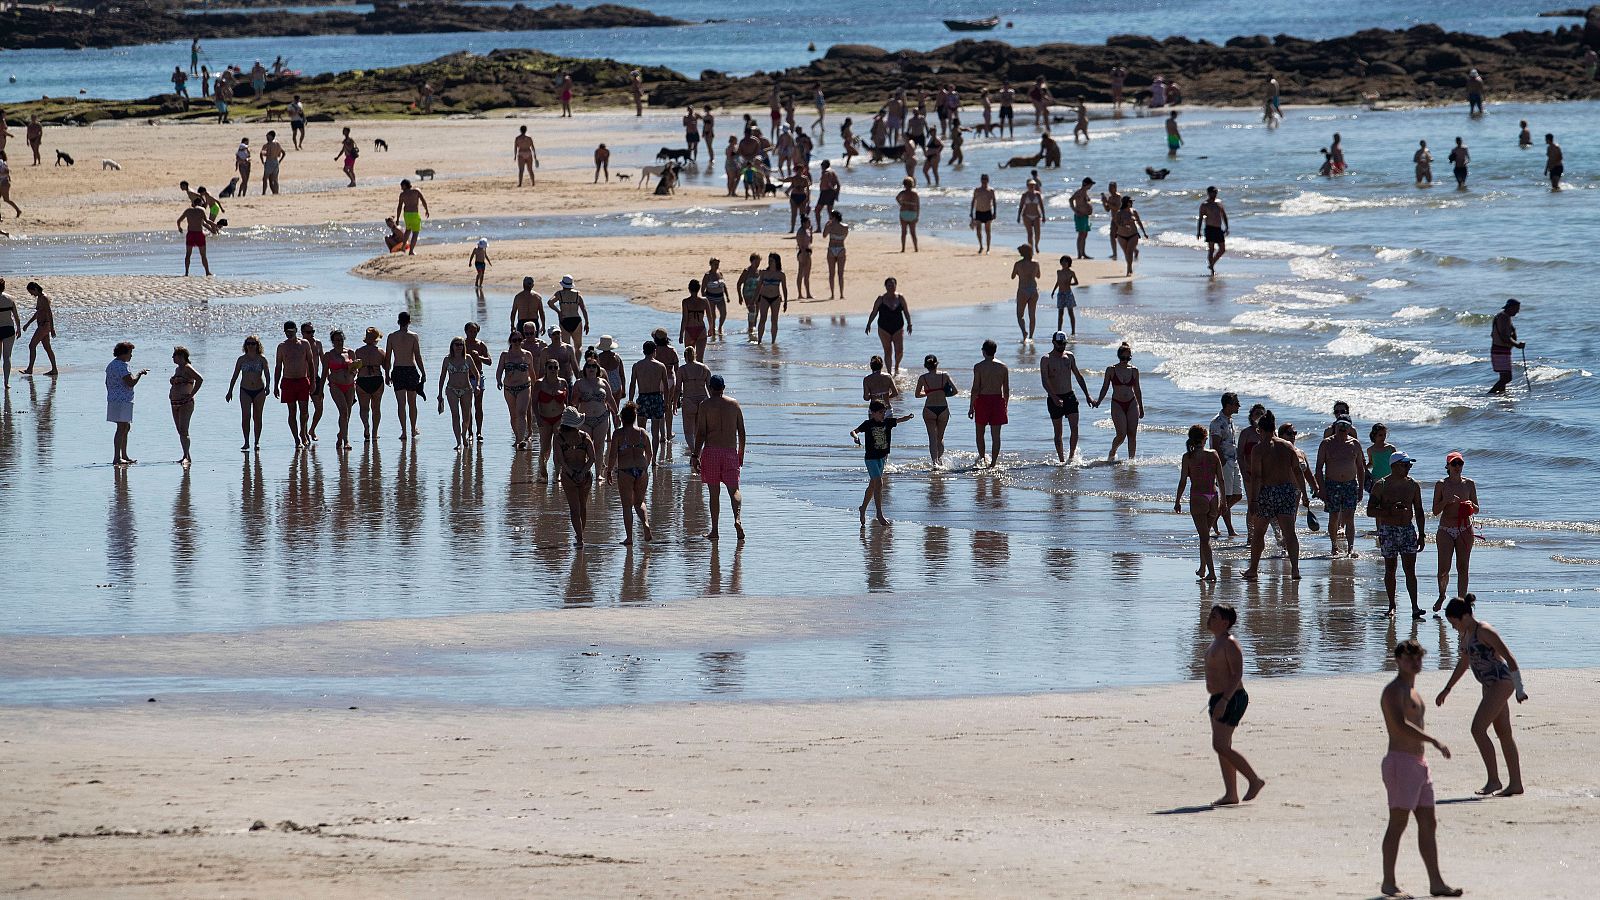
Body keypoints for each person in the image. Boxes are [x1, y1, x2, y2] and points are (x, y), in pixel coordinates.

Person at [1380, 640, 1461, 900]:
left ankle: (1436, 883)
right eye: (1409, 659)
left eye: (1418, 659)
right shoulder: (1394, 691)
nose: (1415, 663)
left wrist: (1427, 746)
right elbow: (1400, 725)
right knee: (1398, 822)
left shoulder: (1414, 692)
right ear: (1398, 661)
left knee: (1428, 822)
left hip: (1419, 765)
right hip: (1400, 762)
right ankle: (1389, 883)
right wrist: (1433, 740)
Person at [1437, 594, 1528, 796]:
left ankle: (1494, 781)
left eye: (1454, 623)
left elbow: (1510, 659)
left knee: (1477, 729)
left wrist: (1519, 690)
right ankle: (1515, 784)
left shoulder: (1484, 631)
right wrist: (1447, 688)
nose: (1453, 627)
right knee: (1504, 733)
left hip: (1501, 683)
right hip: (1488, 686)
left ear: (1465, 616)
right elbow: (1464, 663)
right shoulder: (1466, 634)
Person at [1201, 604, 1265, 803]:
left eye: (1214, 616)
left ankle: (1254, 780)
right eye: (1210, 614)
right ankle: (1231, 794)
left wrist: (1225, 700)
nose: (1210, 618)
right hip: (1217, 698)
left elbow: (1237, 674)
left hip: (1232, 697)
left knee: (1220, 745)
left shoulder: (1229, 643)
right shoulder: (1216, 642)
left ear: (1225, 622)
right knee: (1224, 746)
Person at [1242, 409, 1309, 580]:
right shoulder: (1288, 446)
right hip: (1286, 491)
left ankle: (1253, 569)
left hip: (1266, 493)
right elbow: (1298, 472)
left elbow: (1256, 476)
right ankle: (1295, 570)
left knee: (1259, 533)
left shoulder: (1259, 449)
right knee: (1290, 533)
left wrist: (1253, 499)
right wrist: (1305, 494)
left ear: (1260, 430)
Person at [1366, 450, 1427, 617]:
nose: (1409, 467)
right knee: (1390, 569)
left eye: (1409, 465)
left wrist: (1422, 534)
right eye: (1405, 465)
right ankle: (1392, 605)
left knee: (1410, 570)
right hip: (1388, 530)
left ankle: (1415, 607)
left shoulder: (1413, 485)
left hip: (1408, 529)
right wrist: (1389, 510)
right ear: (1395, 466)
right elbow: (1370, 511)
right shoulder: (1381, 485)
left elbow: (1420, 511)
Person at [692, 375, 746, 541]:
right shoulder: (734, 404)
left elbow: (701, 432)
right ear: (723, 387)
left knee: (714, 493)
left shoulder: (705, 405)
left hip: (711, 451)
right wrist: (740, 453)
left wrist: (695, 454)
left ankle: (715, 530)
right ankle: (737, 519)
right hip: (730, 451)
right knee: (734, 490)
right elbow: (742, 432)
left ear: (710, 388)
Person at [850, 400, 915, 526]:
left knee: (873, 485)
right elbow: (853, 431)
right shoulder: (868, 424)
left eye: (884, 412)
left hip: (882, 458)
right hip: (870, 458)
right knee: (879, 482)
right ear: (873, 413)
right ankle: (879, 513)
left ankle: (863, 508)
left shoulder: (887, 422)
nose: (883, 415)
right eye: (880, 412)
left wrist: (908, 417)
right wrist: (856, 437)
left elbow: (899, 420)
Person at [1432, 451, 1479, 612]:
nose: (1457, 467)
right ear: (1448, 466)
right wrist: (1446, 501)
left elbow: (1477, 509)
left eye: (1460, 464)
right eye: (1454, 464)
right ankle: (1441, 595)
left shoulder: (1469, 483)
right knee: (1444, 568)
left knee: (1463, 566)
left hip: (1465, 528)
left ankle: (1461, 601)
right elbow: (1435, 511)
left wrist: (1470, 506)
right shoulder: (1441, 484)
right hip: (1445, 529)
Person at [1316, 417, 1367, 557]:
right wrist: (1321, 488)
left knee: (1349, 517)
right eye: (1340, 425)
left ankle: (1351, 548)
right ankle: (1334, 546)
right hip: (1332, 484)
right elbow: (1319, 468)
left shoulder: (1354, 444)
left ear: (1350, 427)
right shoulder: (1326, 444)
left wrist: (1361, 488)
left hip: (1350, 485)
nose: (1343, 428)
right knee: (1333, 517)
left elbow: (1360, 468)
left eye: (1346, 425)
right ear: (1335, 426)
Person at [605, 402, 654, 545]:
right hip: (641, 469)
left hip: (625, 470)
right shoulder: (642, 432)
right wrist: (645, 466)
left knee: (627, 505)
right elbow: (650, 454)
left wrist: (609, 471)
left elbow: (613, 455)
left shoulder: (618, 434)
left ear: (622, 418)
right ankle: (645, 524)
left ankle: (629, 538)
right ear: (634, 418)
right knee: (639, 502)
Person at [1041, 331, 1093, 463]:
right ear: (1053, 343)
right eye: (1059, 344)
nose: (1062, 346)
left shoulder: (1069, 357)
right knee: (1058, 433)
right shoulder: (1046, 359)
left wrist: (1087, 395)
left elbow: (1078, 376)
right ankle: (1061, 461)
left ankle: (1071, 458)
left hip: (1069, 396)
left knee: (1074, 428)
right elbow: (1045, 381)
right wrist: (1054, 397)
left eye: (1064, 343)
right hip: (1054, 398)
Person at [553, 407, 597, 546]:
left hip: (569, 476)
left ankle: (579, 538)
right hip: (585, 475)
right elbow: (592, 458)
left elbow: (561, 460)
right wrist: (582, 472)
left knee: (574, 509)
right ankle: (580, 536)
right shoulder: (584, 437)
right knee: (582, 507)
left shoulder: (559, 438)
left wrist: (572, 473)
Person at [1094, 342, 1144, 460]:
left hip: (1132, 403)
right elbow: (1105, 387)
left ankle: (1131, 461)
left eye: (1128, 358)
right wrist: (1099, 401)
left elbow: (1137, 390)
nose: (1125, 360)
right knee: (1121, 435)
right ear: (1119, 356)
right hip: (1117, 404)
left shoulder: (1134, 370)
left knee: (1132, 434)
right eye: (1123, 357)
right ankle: (1113, 451)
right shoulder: (1111, 370)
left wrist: (1141, 408)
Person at [968, 339, 1009, 468]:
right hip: (997, 400)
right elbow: (1006, 390)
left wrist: (971, 407)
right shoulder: (1003, 367)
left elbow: (975, 388)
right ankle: (993, 463)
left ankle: (982, 459)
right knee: (996, 435)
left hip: (982, 400)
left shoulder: (979, 367)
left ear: (983, 351)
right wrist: (1005, 405)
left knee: (980, 433)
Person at [273, 321, 314, 448]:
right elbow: (278, 366)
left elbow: (311, 363)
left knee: (304, 411)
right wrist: (275, 386)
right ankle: (296, 439)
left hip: (302, 380)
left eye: (291, 331)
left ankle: (303, 432)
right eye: (287, 332)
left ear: (296, 331)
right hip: (288, 381)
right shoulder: (282, 346)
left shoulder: (304, 344)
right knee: (292, 411)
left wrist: (313, 382)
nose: (289, 334)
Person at [435, 337, 480, 451]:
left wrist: (477, 385)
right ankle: (458, 442)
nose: (459, 347)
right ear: (452, 346)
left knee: (466, 416)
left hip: (466, 389)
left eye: (461, 344)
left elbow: (476, 373)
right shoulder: (447, 360)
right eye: (457, 344)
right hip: (451, 390)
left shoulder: (468, 358)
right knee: (455, 415)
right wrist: (440, 394)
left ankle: (464, 434)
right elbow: (442, 377)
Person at [386, 310, 425, 441]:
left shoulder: (392, 336)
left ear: (398, 322)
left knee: (401, 403)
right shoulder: (414, 336)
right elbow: (418, 356)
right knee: (412, 402)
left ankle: (404, 431)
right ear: (409, 322)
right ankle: (413, 429)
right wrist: (423, 372)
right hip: (410, 370)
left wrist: (387, 373)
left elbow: (388, 357)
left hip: (397, 370)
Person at [1209, 393, 1244, 539]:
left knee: (1237, 495)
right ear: (1228, 405)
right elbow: (1215, 444)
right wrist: (1221, 461)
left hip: (1233, 461)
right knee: (1226, 495)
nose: (1239, 406)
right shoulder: (1217, 422)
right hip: (1224, 462)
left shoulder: (1230, 420)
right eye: (1236, 403)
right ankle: (1230, 529)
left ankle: (1214, 517)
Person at [106, 342, 147, 465]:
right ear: (123, 353)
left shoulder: (111, 365)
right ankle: (117, 457)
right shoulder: (123, 366)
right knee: (121, 428)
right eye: (130, 353)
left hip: (114, 399)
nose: (131, 356)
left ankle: (123, 455)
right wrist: (140, 373)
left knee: (126, 427)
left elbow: (106, 382)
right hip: (122, 401)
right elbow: (131, 382)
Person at [629, 340, 669, 464]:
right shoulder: (660, 366)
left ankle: (642, 456)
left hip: (643, 398)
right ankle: (654, 459)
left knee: (641, 430)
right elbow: (666, 387)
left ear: (643, 351)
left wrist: (630, 401)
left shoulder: (637, 365)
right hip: (656, 398)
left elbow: (632, 385)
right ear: (654, 351)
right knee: (655, 431)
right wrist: (666, 402)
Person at [914, 354, 955, 468]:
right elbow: (955, 391)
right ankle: (941, 462)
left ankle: (934, 463)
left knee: (932, 438)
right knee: (940, 437)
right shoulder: (944, 376)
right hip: (943, 408)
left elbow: (917, 395)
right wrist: (944, 393)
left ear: (925, 365)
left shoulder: (923, 378)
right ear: (937, 364)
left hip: (929, 408)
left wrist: (928, 393)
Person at [496, 331, 535, 449]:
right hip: (509, 388)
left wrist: (536, 385)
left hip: (524, 386)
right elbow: (499, 371)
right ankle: (518, 436)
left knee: (522, 413)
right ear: (510, 341)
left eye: (519, 340)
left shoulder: (527, 355)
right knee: (513, 414)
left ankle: (520, 440)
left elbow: (532, 372)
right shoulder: (505, 355)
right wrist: (498, 381)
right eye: (514, 340)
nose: (517, 342)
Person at [864, 278, 911, 374]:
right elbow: (874, 312)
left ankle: (897, 366)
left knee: (899, 351)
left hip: (898, 327)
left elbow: (906, 311)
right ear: (885, 286)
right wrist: (869, 324)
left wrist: (909, 323)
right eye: (889, 285)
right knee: (888, 350)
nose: (891, 287)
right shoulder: (880, 299)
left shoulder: (900, 298)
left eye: (893, 285)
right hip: (883, 328)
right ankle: (889, 373)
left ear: (896, 286)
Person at [166, 346, 203, 466]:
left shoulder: (187, 368)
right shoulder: (178, 369)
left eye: (174, 355)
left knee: (184, 430)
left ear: (181, 356)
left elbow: (200, 379)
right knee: (179, 430)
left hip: (185, 403)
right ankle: (186, 455)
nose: (172, 357)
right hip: (174, 402)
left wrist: (191, 394)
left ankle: (186, 456)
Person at [322, 329, 357, 452]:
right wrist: (320, 390)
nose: (339, 342)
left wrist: (353, 370)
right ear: (332, 341)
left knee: (347, 413)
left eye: (341, 339)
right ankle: (346, 440)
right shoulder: (329, 355)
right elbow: (325, 372)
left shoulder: (350, 352)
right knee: (343, 410)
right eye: (337, 340)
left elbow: (355, 370)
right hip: (336, 385)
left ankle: (340, 435)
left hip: (350, 384)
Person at [353, 326, 388, 443]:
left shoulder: (358, 351)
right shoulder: (381, 352)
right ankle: (375, 433)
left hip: (362, 380)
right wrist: (388, 377)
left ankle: (366, 426)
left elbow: (353, 368)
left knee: (364, 408)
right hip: (376, 380)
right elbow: (387, 367)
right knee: (376, 408)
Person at [675, 347, 710, 461]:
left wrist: (675, 403)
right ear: (695, 355)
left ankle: (695, 453)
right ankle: (698, 454)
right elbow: (710, 387)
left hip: (689, 400)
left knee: (688, 431)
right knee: (700, 431)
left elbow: (678, 388)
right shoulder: (704, 368)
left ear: (685, 357)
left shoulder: (682, 369)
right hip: (703, 400)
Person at [19, 281, 58, 377]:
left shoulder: (44, 298)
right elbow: (38, 313)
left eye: (31, 292)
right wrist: (28, 324)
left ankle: (29, 369)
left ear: (35, 289)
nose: (31, 294)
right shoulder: (39, 298)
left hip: (45, 325)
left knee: (32, 345)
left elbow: (49, 313)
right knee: (47, 348)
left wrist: (52, 329)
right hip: (41, 325)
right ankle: (54, 369)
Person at [1487, 298, 1524, 394]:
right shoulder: (1503, 317)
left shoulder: (1503, 316)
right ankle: (1490, 395)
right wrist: (1517, 345)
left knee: (1503, 379)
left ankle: (1500, 399)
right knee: (1507, 378)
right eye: (1516, 309)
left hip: (1501, 350)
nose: (1518, 311)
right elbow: (1505, 336)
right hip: (1500, 351)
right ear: (1510, 308)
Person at [754, 252, 788, 344]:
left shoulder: (780, 274)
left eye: (772, 260)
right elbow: (759, 286)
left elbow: (784, 288)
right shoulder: (764, 273)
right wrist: (755, 299)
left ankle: (773, 342)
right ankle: (759, 340)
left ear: (776, 261)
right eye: (769, 260)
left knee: (774, 320)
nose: (769, 262)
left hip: (776, 298)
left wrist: (785, 302)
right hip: (764, 298)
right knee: (762, 319)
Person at [1010, 244, 1041, 342]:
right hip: (1033, 289)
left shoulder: (1018, 264)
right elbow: (1038, 276)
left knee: (1020, 315)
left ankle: (1024, 332)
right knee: (1032, 314)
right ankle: (1031, 336)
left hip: (1023, 289)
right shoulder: (1035, 263)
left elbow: (1013, 276)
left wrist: (1020, 273)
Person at [177, 198, 215, 277]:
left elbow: (179, 220)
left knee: (188, 254)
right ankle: (207, 272)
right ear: (200, 203)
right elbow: (207, 221)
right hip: (199, 234)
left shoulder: (188, 211)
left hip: (190, 234)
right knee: (203, 255)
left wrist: (179, 228)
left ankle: (186, 272)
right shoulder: (201, 210)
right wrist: (214, 225)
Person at [548, 275, 589, 347]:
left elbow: (550, 302)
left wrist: (559, 312)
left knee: (566, 346)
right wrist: (587, 323)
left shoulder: (559, 294)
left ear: (563, 284)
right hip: (576, 319)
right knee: (578, 346)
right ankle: (577, 358)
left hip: (564, 319)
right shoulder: (577, 294)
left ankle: (569, 358)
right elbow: (584, 309)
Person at [1113, 196, 1148, 278]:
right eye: (1131, 202)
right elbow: (1117, 223)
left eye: (1132, 202)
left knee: (1129, 252)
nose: (1132, 203)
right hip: (1121, 236)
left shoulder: (1134, 211)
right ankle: (1130, 266)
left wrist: (1144, 232)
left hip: (1133, 234)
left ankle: (1128, 270)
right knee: (1126, 253)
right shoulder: (1119, 213)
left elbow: (1139, 222)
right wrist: (1124, 224)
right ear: (1126, 203)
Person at [1196, 186, 1229, 275]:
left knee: (1222, 249)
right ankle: (1212, 270)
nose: (1215, 194)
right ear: (1209, 193)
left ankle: (1212, 264)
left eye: (1216, 192)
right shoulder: (1205, 204)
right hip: (1210, 229)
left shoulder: (1219, 203)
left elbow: (1224, 215)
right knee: (1211, 249)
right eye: (1213, 192)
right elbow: (1200, 219)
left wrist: (1227, 227)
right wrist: (1198, 232)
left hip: (1218, 229)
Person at [395, 179, 429, 255]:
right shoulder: (416, 191)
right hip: (414, 214)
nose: (401, 188)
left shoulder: (402, 195)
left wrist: (397, 218)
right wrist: (426, 209)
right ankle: (411, 251)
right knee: (415, 233)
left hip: (406, 215)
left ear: (405, 185)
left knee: (408, 230)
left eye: (401, 186)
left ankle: (403, 247)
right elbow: (423, 201)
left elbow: (399, 207)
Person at [1049, 256, 1081, 336]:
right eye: (1062, 262)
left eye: (1065, 262)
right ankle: (1059, 330)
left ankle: (1073, 331)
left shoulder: (1071, 272)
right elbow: (1058, 282)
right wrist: (1053, 291)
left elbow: (1076, 282)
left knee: (1070, 312)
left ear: (1068, 263)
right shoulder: (1059, 272)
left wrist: (1070, 284)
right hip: (1060, 294)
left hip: (1068, 293)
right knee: (1060, 313)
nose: (1063, 264)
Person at [822, 211, 850, 299]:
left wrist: (827, 226)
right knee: (840, 274)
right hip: (841, 248)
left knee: (832, 273)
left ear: (834, 218)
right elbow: (844, 236)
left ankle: (833, 294)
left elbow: (824, 235)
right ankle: (841, 294)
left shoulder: (830, 226)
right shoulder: (845, 227)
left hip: (832, 248)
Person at [0, 278, 20, 388]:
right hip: (8, 328)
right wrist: (19, 328)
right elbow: (16, 316)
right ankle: (6, 382)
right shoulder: (10, 299)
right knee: (7, 357)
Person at [969, 173, 997, 253]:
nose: (984, 181)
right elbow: (973, 201)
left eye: (985, 179)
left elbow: (994, 202)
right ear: (981, 180)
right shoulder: (977, 190)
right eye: (983, 179)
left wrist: (995, 212)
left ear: (988, 180)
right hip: (978, 212)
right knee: (978, 230)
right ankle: (981, 246)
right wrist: (971, 212)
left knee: (988, 231)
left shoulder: (991, 191)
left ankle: (988, 248)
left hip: (988, 212)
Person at [1068, 177, 1095, 260]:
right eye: (1090, 184)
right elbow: (1071, 199)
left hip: (1085, 216)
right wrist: (1075, 211)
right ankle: (1079, 254)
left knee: (1085, 234)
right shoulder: (1080, 192)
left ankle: (1083, 253)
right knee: (1081, 235)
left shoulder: (1085, 193)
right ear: (1086, 184)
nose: (1091, 186)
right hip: (1080, 216)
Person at [702, 259, 730, 337]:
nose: (717, 266)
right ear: (711, 265)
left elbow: (724, 286)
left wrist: (727, 296)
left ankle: (720, 327)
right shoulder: (707, 275)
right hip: (710, 297)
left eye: (718, 264)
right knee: (713, 316)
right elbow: (702, 289)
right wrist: (705, 300)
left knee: (724, 314)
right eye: (715, 264)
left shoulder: (720, 273)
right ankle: (713, 330)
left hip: (720, 297)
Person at [1017, 178, 1045, 254]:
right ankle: (1031, 250)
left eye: (1033, 185)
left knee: (1038, 233)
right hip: (1026, 215)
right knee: (1030, 234)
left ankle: (1036, 245)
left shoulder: (1038, 194)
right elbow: (1021, 206)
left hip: (1036, 215)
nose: (1032, 186)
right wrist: (1018, 216)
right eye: (1030, 185)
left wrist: (1044, 216)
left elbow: (1041, 205)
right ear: (1027, 186)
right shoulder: (1024, 195)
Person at [894, 177, 920, 253]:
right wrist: (917, 216)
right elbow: (918, 206)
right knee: (913, 233)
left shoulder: (903, 193)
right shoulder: (915, 194)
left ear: (904, 185)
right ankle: (916, 248)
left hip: (904, 212)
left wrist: (901, 203)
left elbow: (897, 198)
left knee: (903, 232)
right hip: (913, 213)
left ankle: (903, 249)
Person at [814, 159, 840, 230]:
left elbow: (828, 183)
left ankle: (819, 228)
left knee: (817, 210)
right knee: (829, 211)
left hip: (825, 193)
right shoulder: (833, 172)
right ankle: (833, 227)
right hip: (831, 193)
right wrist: (836, 194)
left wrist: (831, 188)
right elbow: (838, 184)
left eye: (822, 165)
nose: (821, 166)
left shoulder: (826, 172)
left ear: (824, 165)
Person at [258, 130, 285, 195]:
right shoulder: (277, 144)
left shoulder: (268, 144)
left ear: (271, 136)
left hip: (269, 162)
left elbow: (261, 153)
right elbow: (283, 153)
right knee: (274, 179)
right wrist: (280, 161)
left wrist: (263, 161)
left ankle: (264, 193)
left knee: (265, 178)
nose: (266, 137)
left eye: (267, 136)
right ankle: (276, 192)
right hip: (276, 162)